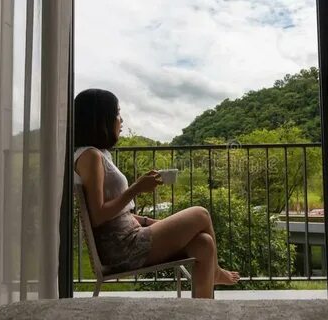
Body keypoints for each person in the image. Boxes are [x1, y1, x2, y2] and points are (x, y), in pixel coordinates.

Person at [74, 88, 240, 298]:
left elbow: (116, 214)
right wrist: (136, 188)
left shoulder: (97, 154)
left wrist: (148, 221)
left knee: (204, 244)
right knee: (201, 214)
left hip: (129, 237)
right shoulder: (90, 157)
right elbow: (98, 216)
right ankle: (215, 271)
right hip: (122, 249)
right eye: (117, 113)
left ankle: (202, 312)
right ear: (100, 119)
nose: (121, 120)